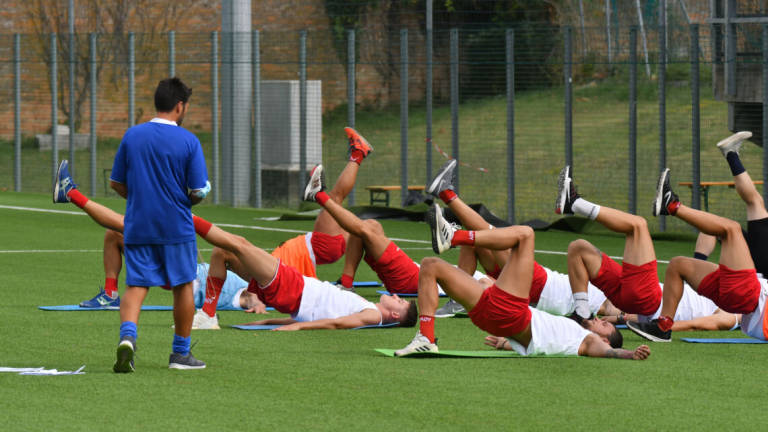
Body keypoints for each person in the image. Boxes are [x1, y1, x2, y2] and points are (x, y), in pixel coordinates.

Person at [52, 175, 416, 331]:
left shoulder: (373, 315)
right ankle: (207, 314)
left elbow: (332, 322)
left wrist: (291, 327)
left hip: (293, 287)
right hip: (293, 288)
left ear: (396, 315)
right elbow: (324, 312)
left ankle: (176, 210)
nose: (397, 297)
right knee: (222, 251)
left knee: (233, 245)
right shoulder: (369, 309)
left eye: (400, 303)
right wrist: (270, 321)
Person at [56, 77, 210, 372]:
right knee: (183, 286)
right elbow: (197, 190)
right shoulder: (189, 141)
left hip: (139, 223)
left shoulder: (133, 136)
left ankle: (128, 337)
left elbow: (116, 183)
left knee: (137, 286)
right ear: (180, 106)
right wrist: (192, 197)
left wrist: (142, 196)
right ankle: (180, 354)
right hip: (176, 226)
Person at [395, 203, 650, 359]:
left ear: (604, 339)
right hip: (493, 317)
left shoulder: (588, 341)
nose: (598, 320)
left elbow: (609, 352)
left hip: (510, 314)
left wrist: (630, 354)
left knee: (526, 235)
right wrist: (507, 343)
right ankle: (425, 339)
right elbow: (539, 341)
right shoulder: (572, 333)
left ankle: (455, 236)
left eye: (603, 327)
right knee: (430, 266)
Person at [426, 160, 608, 318]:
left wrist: (619, 318)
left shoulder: (614, 303)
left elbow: (628, 316)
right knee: (481, 240)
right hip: (536, 283)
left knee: (510, 236)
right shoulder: (612, 291)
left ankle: (448, 203)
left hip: (537, 287)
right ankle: (457, 300)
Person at [626, 168, 768, 342]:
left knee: (731, 230)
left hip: (750, 298)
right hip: (745, 299)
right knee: (678, 265)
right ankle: (662, 327)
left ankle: (671, 205)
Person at [303, 164, 421, 295]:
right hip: (411, 277)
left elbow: (434, 268)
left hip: (412, 279)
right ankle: (346, 283)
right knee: (372, 225)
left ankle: (319, 196)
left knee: (364, 229)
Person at [689, 131, 768, 277]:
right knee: (715, 226)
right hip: (759, 267)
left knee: (755, 203)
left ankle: (731, 154)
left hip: (762, 270)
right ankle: (694, 273)